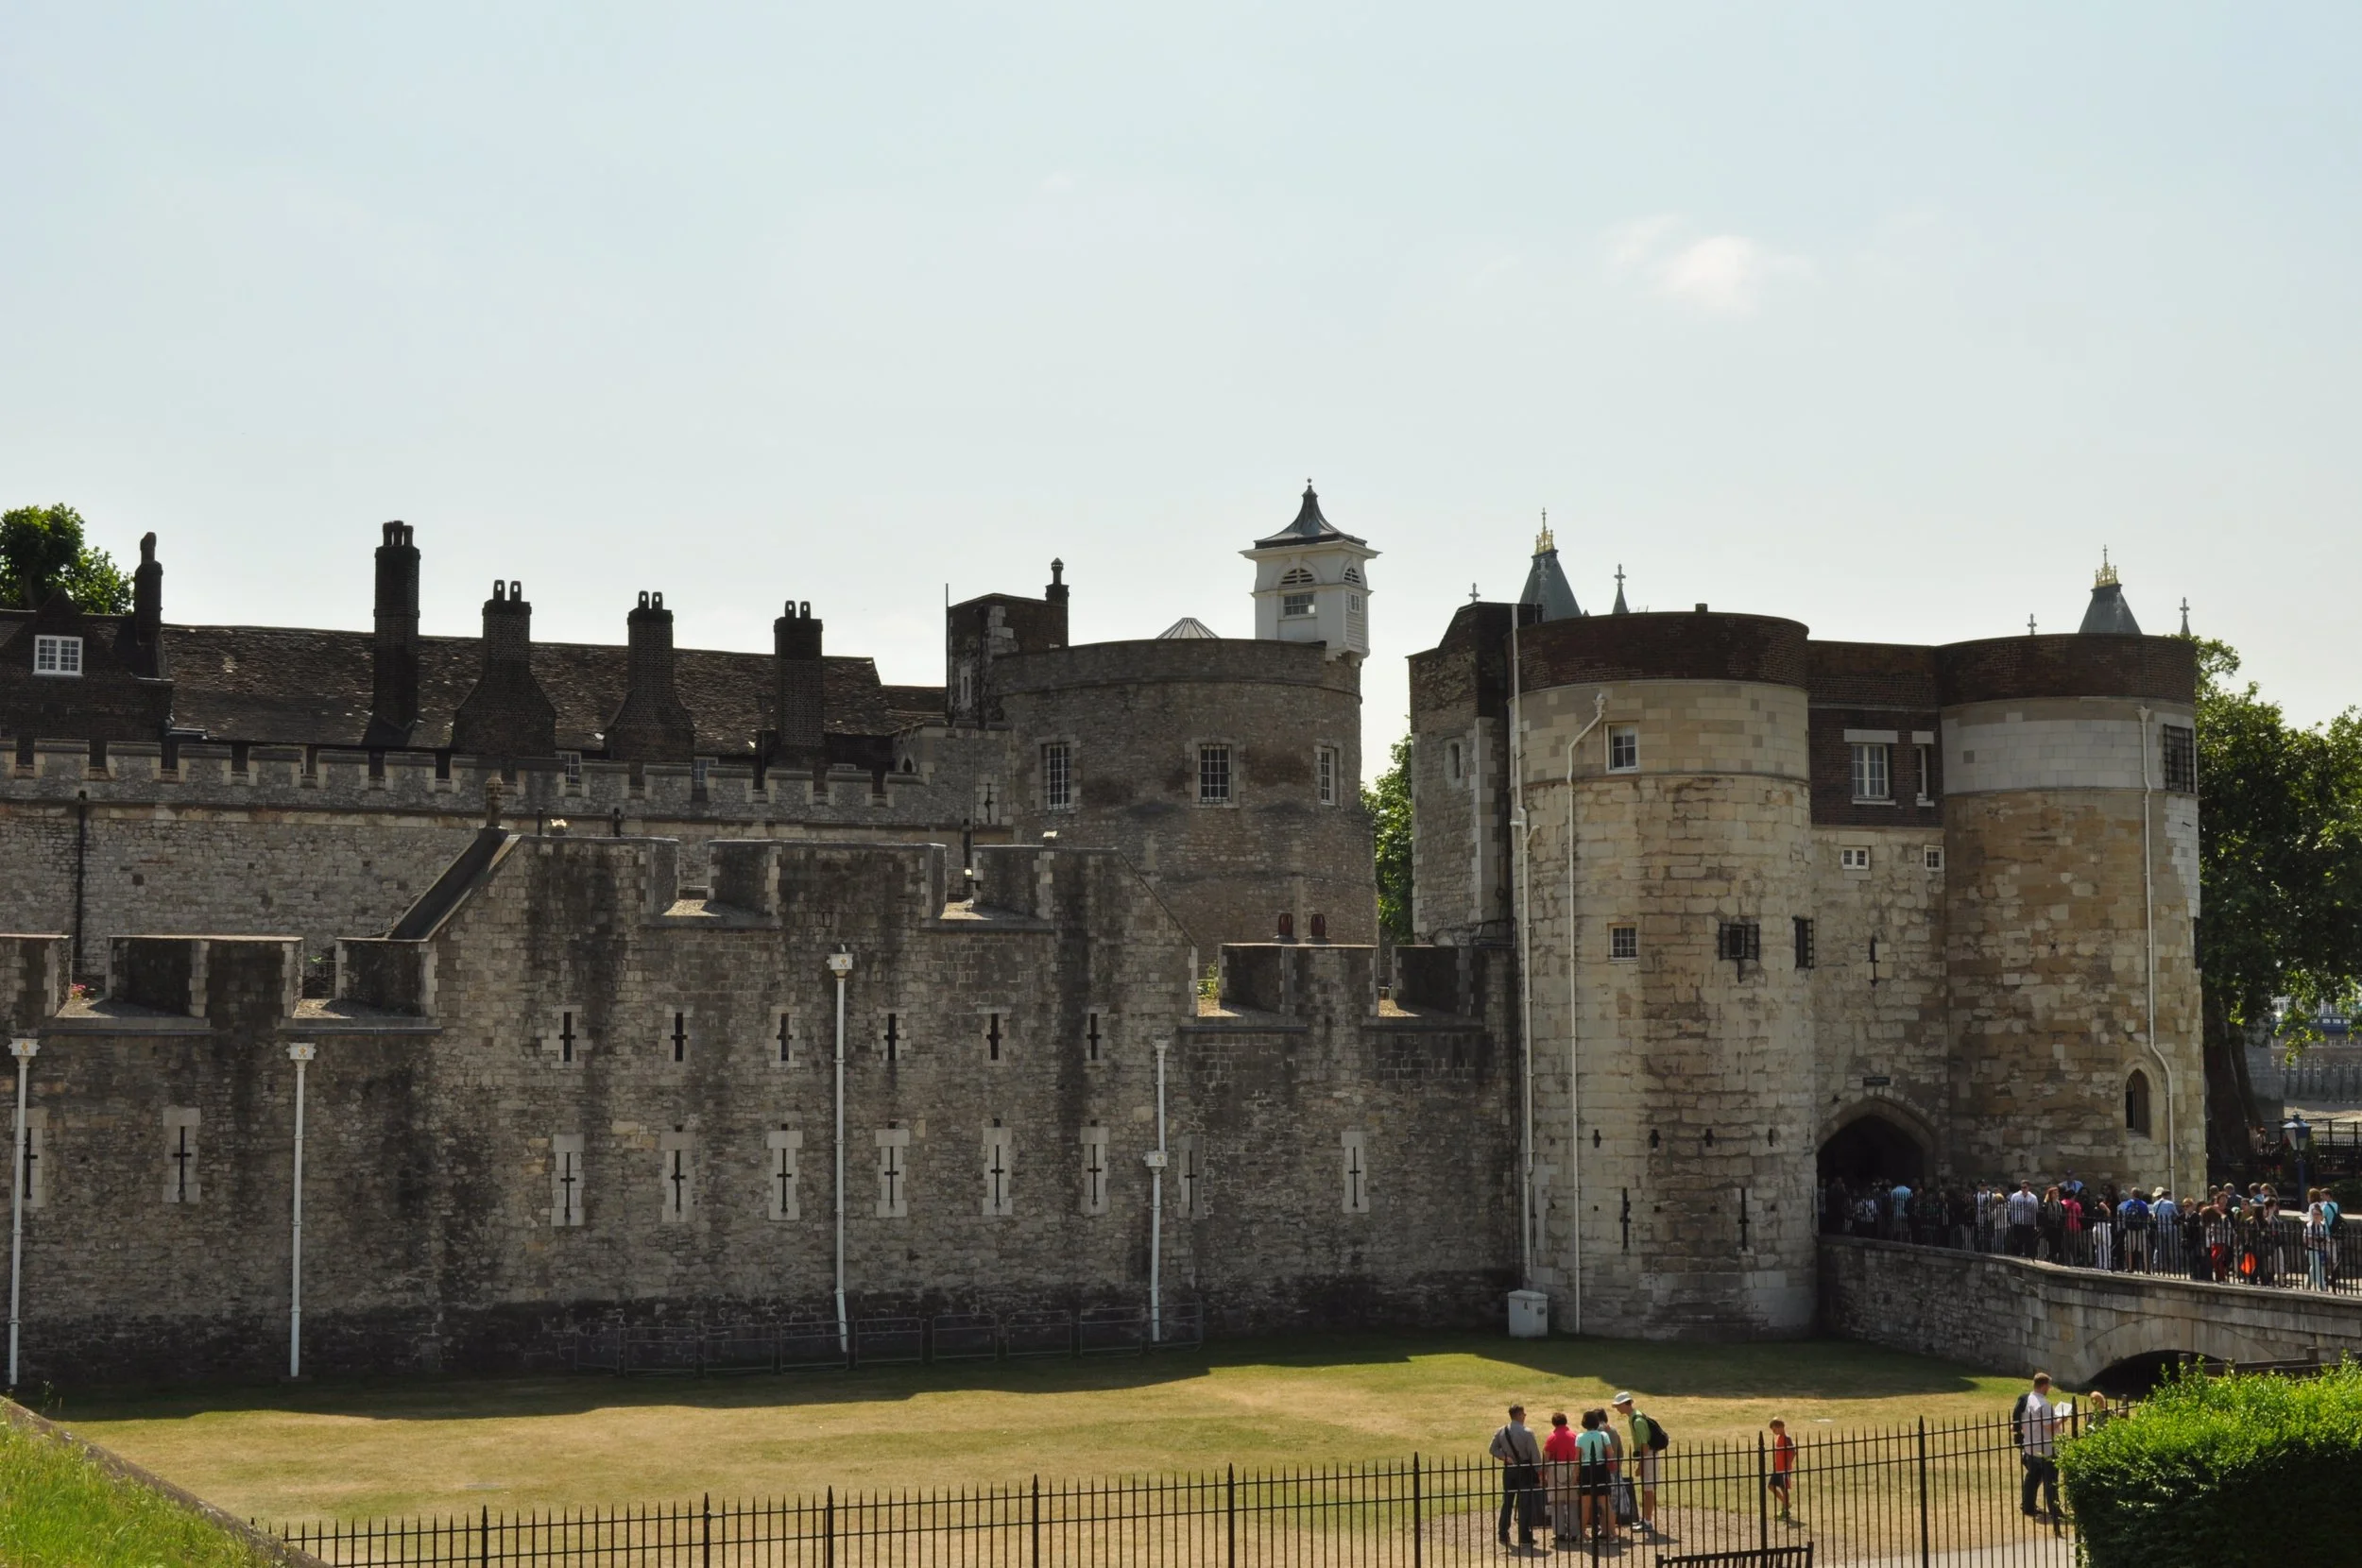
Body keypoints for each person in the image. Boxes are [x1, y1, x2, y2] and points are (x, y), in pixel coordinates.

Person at [1490, 1404, 1543, 1548]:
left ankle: (1502, 1533)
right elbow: (1535, 1455)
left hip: (1509, 1469)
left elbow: (1492, 1449)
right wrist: (1539, 1471)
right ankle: (1525, 1536)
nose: (1525, 1416)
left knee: (1507, 1501)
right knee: (1524, 1503)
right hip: (1524, 1469)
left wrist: (1504, 1457)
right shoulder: (1527, 1432)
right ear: (1519, 1415)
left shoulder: (1501, 1431)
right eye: (1524, 1414)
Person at [2012, 1373, 2062, 1522]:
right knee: (2051, 1480)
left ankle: (2028, 1505)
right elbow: (2049, 1426)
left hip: (2030, 1446)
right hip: (2045, 1447)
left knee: (2032, 1478)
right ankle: (2054, 1510)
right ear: (2044, 1386)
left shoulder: (2027, 1399)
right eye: (2049, 1386)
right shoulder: (2044, 1405)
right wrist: (2061, 1419)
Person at [1612, 1391, 1661, 1537]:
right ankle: (1645, 1520)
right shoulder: (1634, 1417)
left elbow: (1644, 1446)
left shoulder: (1637, 1420)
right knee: (1646, 1489)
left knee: (1648, 1490)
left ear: (1625, 1404)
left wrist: (1640, 1465)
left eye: (1618, 1405)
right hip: (1647, 1456)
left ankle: (1647, 1522)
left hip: (1648, 1456)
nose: (1617, 1408)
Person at [1574, 1409, 1614, 1542]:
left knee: (1586, 1505)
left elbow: (1577, 1459)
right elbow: (1610, 1453)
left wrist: (1575, 1476)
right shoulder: (1603, 1435)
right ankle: (1613, 1534)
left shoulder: (1580, 1437)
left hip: (1586, 1470)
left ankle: (1582, 1534)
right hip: (1601, 1469)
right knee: (1605, 1504)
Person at [1542, 1411, 1581, 1544]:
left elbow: (1546, 1457)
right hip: (1572, 1468)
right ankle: (1575, 1532)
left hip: (1556, 1469)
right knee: (1573, 1502)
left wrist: (1543, 1474)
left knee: (1557, 1502)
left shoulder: (1552, 1437)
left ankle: (1559, 1532)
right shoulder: (1574, 1436)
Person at [1767, 1418, 1796, 1521]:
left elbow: (1793, 1452)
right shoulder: (1779, 1438)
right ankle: (1786, 1503)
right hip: (1777, 1468)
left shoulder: (1787, 1438)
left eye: (1775, 1430)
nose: (1773, 1432)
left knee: (1784, 1489)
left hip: (1784, 1469)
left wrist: (1787, 1465)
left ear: (1781, 1427)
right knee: (1770, 1486)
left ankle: (1785, 1510)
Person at [2118, 1187, 2150, 1273]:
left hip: (2130, 1228)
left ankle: (2129, 1267)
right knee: (2144, 1248)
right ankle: (2147, 1269)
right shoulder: (2143, 1204)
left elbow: (2124, 1214)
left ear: (2132, 1194)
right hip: (2142, 1228)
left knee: (2129, 1249)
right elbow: (2146, 1215)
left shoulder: (2128, 1203)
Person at [2006, 1180, 2040, 1257]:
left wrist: (2035, 1225)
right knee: (2018, 1243)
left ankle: (2028, 1257)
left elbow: (2035, 1212)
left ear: (2028, 1187)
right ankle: (2017, 1257)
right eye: (2021, 1187)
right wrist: (2012, 1222)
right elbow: (2012, 1210)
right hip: (2018, 1223)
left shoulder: (2033, 1198)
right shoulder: (2015, 1196)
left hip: (2029, 1224)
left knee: (2029, 1243)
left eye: (2025, 1187)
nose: (2023, 1189)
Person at [2305, 1202, 2331, 1292]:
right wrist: (2317, 1242)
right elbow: (2306, 1239)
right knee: (2318, 1268)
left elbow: (2327, 1238)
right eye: (2314, 1214)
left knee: (2315, 1268)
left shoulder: (2323, 1226)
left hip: (2321, 1250)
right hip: (2311, 1250)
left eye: (2317, 1214)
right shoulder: (2309, 1226)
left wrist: (2324, 1242)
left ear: (2321, 1215)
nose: (2315, 1216)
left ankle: (2307, 1285)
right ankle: (2323, 1287)